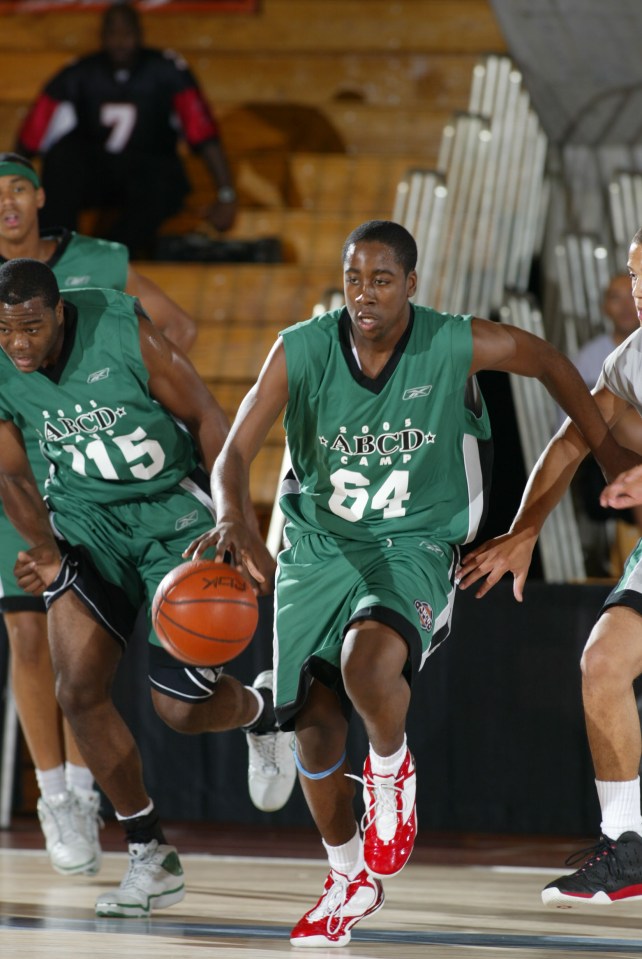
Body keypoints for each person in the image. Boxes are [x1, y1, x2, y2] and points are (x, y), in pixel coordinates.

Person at [185, 219, 634, 947]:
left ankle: (391, 770)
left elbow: (549, 358)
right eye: (354, 278)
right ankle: (346, 874)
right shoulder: (302, 347)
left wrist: (612, 451)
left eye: (382, 279)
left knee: (368, 663)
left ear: (412, 285)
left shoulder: (451, 341)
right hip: (318, 546)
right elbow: (233, 450)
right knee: (313, 724)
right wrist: (235, 516)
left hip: (414, 539)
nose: (365, 294)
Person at [0, 258, 295, 918]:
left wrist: (236, 519)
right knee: (75, 688)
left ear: (58, 314)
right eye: (3, 330)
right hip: (87, 522)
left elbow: (207, 414)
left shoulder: (117, 327)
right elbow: (13, 477)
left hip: (173, 513)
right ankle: (148, 852)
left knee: (181, 709)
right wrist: (46, 552)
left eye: (29, 328)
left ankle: (261, 710)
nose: (17, 343)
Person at [0, 151, 198, 877]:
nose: (7, 203)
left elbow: (179, 327)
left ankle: (89, 788)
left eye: (18, 188)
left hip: (125, 483)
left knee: (157, 678)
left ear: (40, 195)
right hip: (34, 481)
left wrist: (124, 398)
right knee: (33, 637)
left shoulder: (98, 268)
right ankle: (62, 799)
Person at [457, 229, 642, 908]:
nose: (641, 291)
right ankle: (628, 845)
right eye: (633, 275)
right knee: (603, 660)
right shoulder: (629, 361)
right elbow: (569, 444)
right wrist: (526, 529)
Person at [15, 1, 237, 258]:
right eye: (113, 34)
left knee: (168, 179)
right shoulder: (78, 74)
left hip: (147, 174)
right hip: (97, 174)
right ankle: (59, 252)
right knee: (61, 158)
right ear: (102, 37)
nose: (120, 42)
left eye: (127, 34)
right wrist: (9, 194)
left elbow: (204, 135)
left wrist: (226, 193)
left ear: (140, 35)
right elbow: (31, 140)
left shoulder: (168, 72)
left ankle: (107, 255)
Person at [564, 273, 642, 574]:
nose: (626, 305)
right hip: (603, 462)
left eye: (631, 293)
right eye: (615, 297)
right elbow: (574, 428)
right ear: (604, 307)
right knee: (623, 421)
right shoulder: (591, 358)